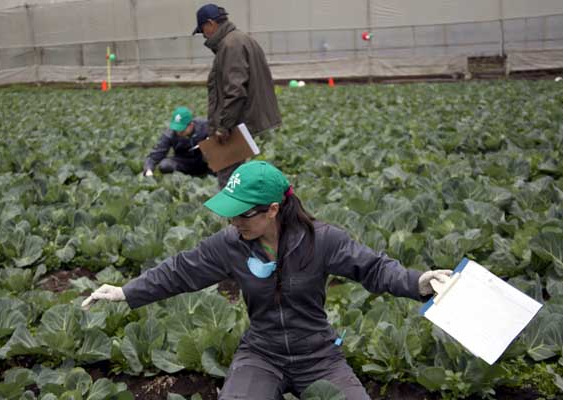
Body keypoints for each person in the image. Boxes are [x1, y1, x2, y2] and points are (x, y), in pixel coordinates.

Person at [82, 161, 452, 400]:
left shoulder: (322, 240)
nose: (234, 223)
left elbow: (373, 268)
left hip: (319, 355)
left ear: (273, 209)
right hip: (262, 353)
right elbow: (181, 271)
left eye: (242, 215)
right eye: (230, 215)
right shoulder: (230, 244)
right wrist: (126, 292)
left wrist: (418, 282)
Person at [193, 4, 282, 187]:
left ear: (210, 24)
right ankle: (245, 213)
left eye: (203, 30)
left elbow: (235, 90)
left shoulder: (230, 44)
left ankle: (233, 215)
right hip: (244, 119)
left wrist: (223, 127)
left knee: (228, 179)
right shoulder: (241, 39)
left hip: (236, 123)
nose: (204, 35)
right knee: (236, 176)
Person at [142, 106, 210, 177]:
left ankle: (213, 176)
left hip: (202, 160)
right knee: (165, 165)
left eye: (182, 129)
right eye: (176, 128)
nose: (178, 132)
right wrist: (148, 169)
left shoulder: (205, 125)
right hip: (183, 162)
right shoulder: (170, 134)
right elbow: (155, 155)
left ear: (191, 125)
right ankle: (182, 178)